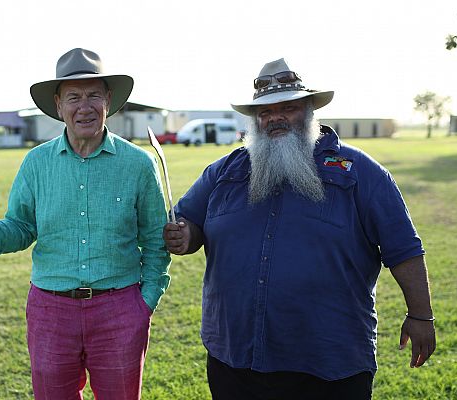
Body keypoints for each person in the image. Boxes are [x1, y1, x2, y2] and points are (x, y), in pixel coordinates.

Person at [163, 58, 436, 400]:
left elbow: (404, 249)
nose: (274, 118)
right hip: (234, 357)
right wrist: (185, 236)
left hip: (328, 362)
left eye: (287, 108)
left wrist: (421, 315)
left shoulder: (360, 173)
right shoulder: (225, 172)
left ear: (308, 110)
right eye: (263, 111)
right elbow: (190, 224)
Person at [0, 48, 171, 400]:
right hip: (50, 312)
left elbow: (156, 241)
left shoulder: (138, 164)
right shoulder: (36, 163)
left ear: (108, 100)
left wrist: (145, 303)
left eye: (94, 94)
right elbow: (20, 228)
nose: (85, 106)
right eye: (74, 97)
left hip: (120, 309)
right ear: (58, 105)